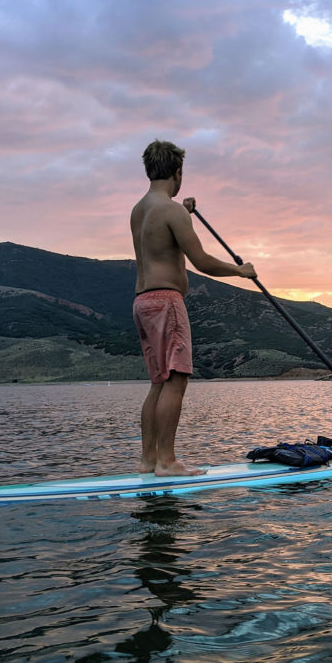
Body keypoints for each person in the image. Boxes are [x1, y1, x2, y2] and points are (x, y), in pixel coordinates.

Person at [130, 140, 257, 476]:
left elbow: (160, 240)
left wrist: (183, 212)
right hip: (166, 303)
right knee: (175, 381)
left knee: (158, 382)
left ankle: (148, 461)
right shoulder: (169, 211)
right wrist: (240, 272)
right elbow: (201, 261)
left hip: (142, 302)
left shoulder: (140, 210)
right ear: (178, 171)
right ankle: (168, 463)